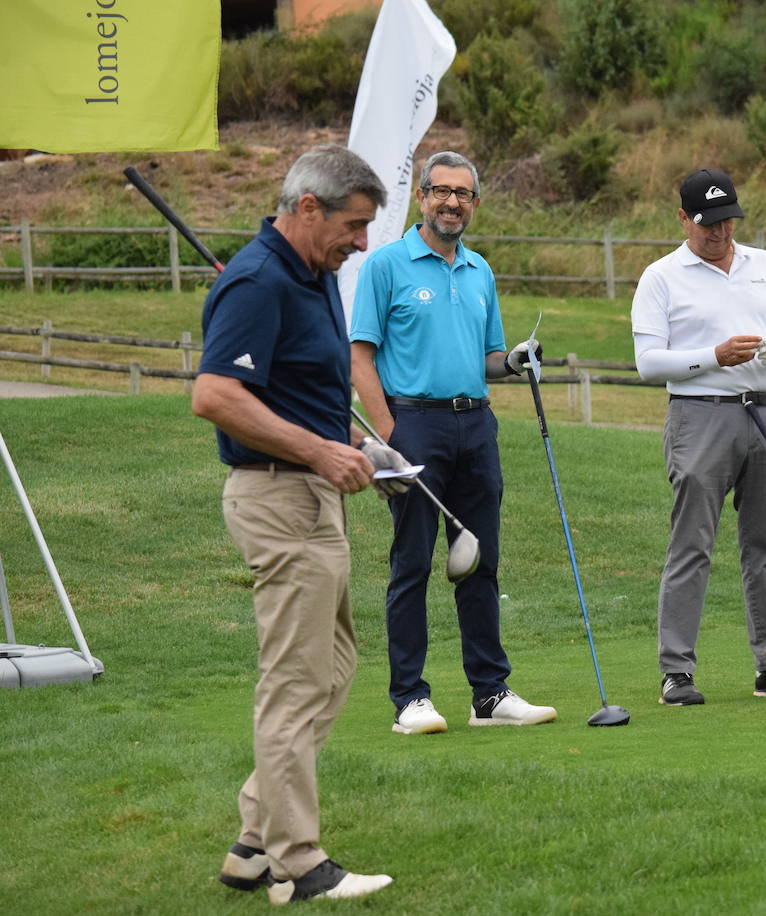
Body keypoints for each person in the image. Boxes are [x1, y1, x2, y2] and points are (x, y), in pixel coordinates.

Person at [195, 144, 405, 904]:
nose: (361, 243)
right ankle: (299, 863)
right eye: (353, 226)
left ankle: (254, 842)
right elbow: (216, 396)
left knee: (334, 668)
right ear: (307, 208)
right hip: (278, 499)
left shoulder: (313, 276)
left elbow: (298, 392)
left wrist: (359, 447)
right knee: (293, 683)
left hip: (312, 497)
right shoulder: (257, 281)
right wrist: (319, 452)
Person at [350, 150, 556, 734]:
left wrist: (513, 361)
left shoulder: (479, 270)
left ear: (475, 203)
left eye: (463, 194)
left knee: (481, 563)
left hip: (476, 426)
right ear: (421, 197)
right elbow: (360, 357)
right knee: (411, 563)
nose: (452, 203)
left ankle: (489, 694)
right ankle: (410, 698)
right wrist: (386, 437)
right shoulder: (386, 266)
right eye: (441, 191)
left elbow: (486, 357)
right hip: (412, 425)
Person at [631, 168, 766, 706]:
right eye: (708, 224)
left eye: (728, 222)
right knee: (692, 544)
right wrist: (713, 356)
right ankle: (677, 671)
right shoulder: (661, 276)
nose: (720, 234)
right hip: (700, 414)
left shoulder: (765, 265)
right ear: (684, 219)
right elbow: (648, 363)